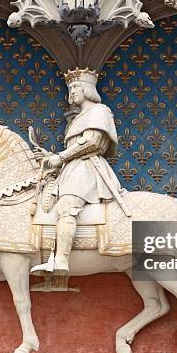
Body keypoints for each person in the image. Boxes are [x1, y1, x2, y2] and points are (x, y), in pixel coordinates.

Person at [30, 68, 123, 275]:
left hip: (87, 168)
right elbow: (72, 148)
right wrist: (50, 156)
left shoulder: (100, 111)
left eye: (74, 87)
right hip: (72, 168)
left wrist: (60, 157)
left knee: (67, 205)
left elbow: (93, 142)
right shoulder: (78, 118)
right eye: (70, 88)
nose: (70, 92)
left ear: (87, 89)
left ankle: (61, 260)